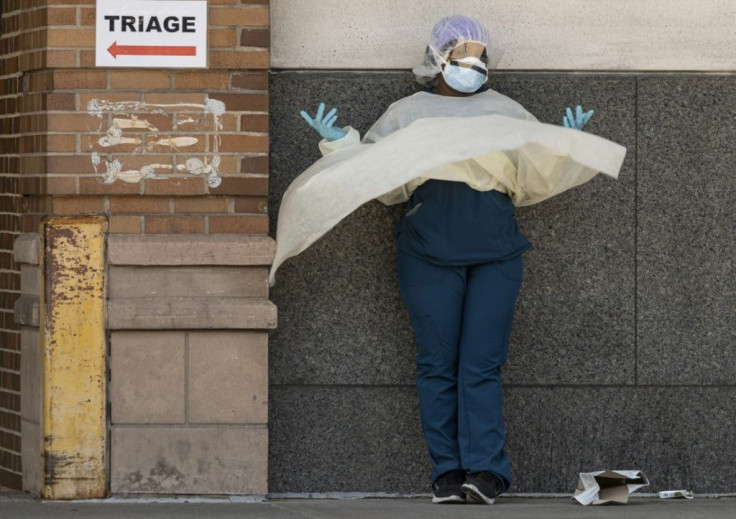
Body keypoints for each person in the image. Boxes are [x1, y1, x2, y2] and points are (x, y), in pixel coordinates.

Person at [300, 15, 594, 505]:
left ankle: (487, 473)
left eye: (480, 57)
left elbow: (532, 181)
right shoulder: (406, 113)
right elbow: (380, 178)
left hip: (495, 251)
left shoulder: (507, 112)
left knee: (481, 363)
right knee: (438, 363)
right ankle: (448, 473)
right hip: (427, 250)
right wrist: (341, 146)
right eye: (463, 57)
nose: (473, 66)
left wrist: (566, 150)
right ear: (438, 59)